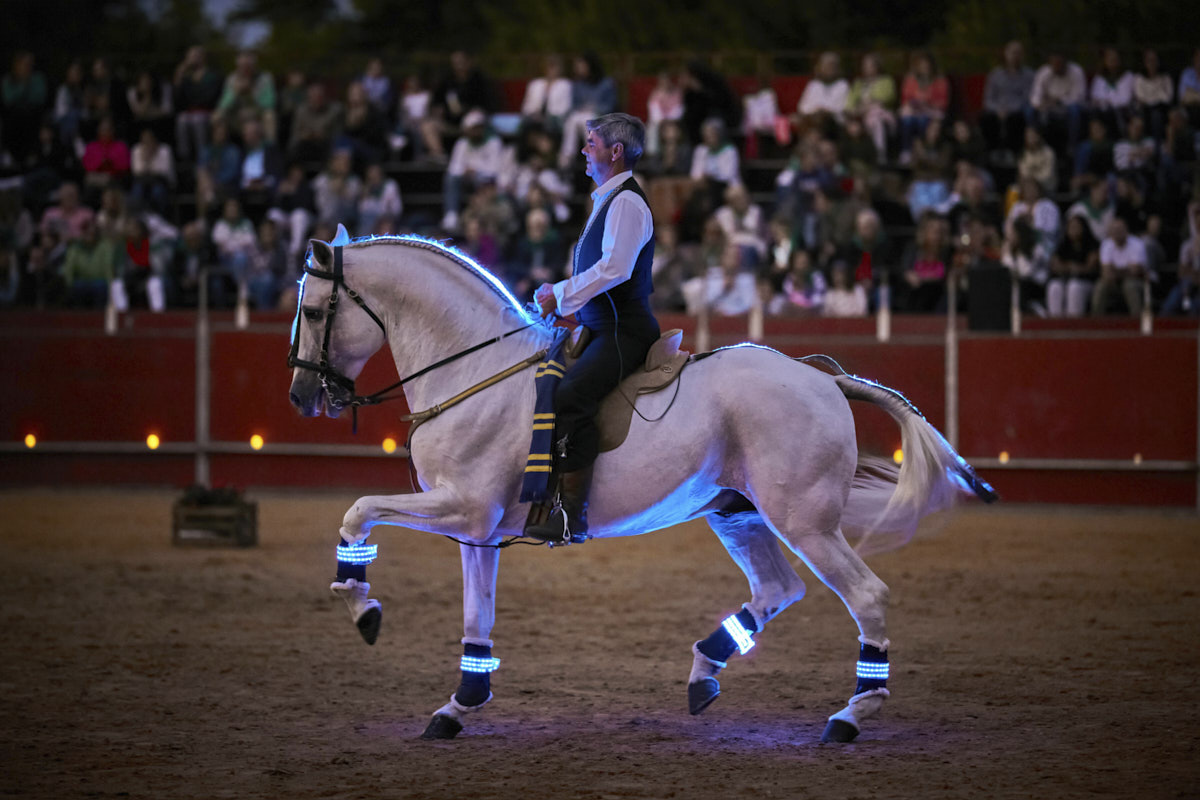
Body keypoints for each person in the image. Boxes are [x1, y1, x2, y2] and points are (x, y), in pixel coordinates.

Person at [524, 113, 660, 543]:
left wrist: (559, 295)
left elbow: (615, 268)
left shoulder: (626, 202)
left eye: (590, 142)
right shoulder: (608, 200)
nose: (584, 150)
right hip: (602, 328)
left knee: (570, 395)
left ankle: (571, 516)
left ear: (614, 152)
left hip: (623, 333)